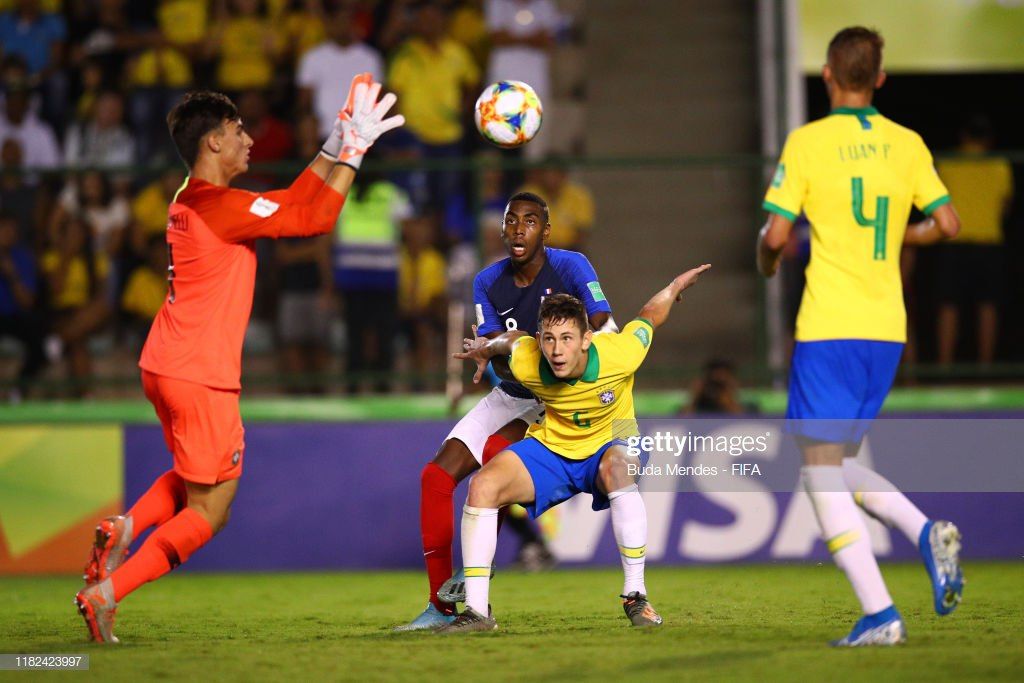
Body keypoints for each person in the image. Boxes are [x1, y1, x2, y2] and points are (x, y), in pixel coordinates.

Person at [74, 74, 405, 643]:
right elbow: (313, 219)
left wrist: (333, 145)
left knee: (193, 475)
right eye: (238, 130)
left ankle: (125, 525)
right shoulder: (220, 208)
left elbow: (292, 202)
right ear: (213, 144)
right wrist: (353, 152)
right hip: (200, 373)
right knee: (213, 509)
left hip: (164, 362)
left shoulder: (190, 198)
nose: (250, 138)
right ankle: (107, 594)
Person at [757, 27, 964, 647]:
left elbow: (773, 238)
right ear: (879, 78)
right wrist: (906, 236)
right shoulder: (907, 144)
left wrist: (768, 265)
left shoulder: (810, 141)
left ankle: (880, 613)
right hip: (886, 333)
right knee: (838, 464)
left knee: (820, 475)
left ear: (826, 75)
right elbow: (948, 222)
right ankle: (923, 530)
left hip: (830, 328)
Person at [441, 264, 712, 632]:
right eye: (549, 339)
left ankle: (637, 597)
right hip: (556, 445)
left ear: (586, 339)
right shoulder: (528, 360)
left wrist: (675, 286)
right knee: (483, 486)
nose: (556, 350)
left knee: (617, 468)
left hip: (614, 438)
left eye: (567, 338)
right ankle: (476, 612)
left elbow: (649, 315)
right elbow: (514, 339)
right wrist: (487, 347)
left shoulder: (621, 353)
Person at [397, 190, 615, 631]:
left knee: (494, 464)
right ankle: (440, 608)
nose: (519, 228)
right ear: (502, 230)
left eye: (530, 221)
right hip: (515, 393)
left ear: (546, 231)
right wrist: (492, 351)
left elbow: (604, 326)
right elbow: (498, 357)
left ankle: (476, 582)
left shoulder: (571, 266)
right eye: (511, 220)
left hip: (560, 398)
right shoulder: (487, 282)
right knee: (435, 478)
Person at [935, 115, 1014, 366]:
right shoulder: (1000, 165)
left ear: (963, 136)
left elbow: (935, 205)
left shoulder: (949, 163)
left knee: (949, 305)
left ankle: (945, 365)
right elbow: (1005, 207)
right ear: (989, 139)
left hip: (954, 243)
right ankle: (985, 366)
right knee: (987, 306)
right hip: (987, 243)